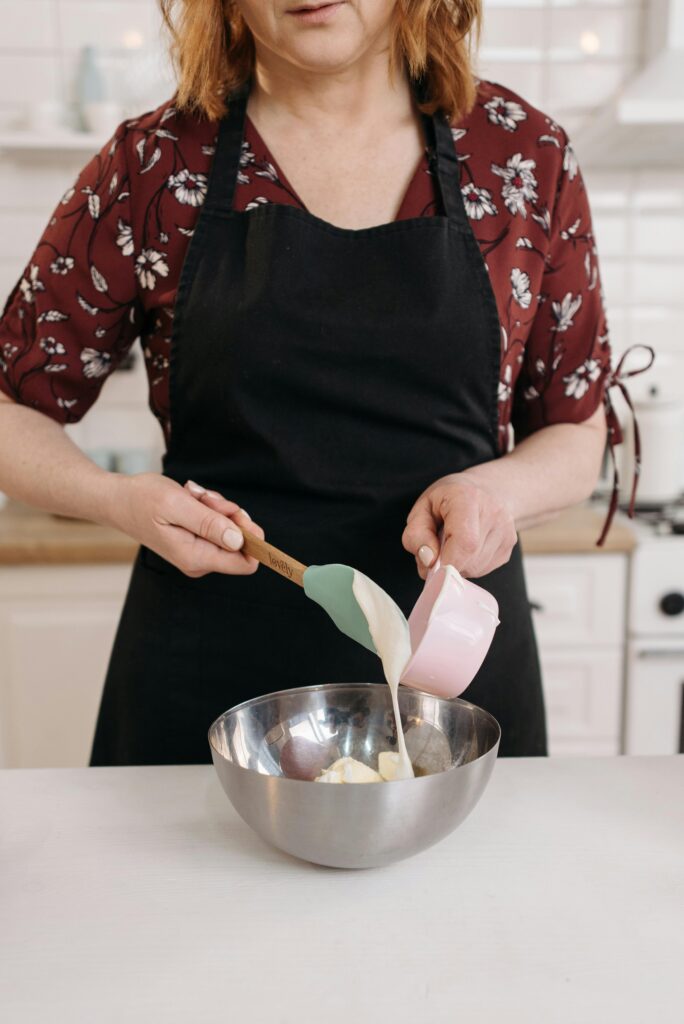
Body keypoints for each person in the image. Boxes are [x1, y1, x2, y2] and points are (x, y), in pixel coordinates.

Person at [0, 0, 630, 763]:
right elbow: (11, 407)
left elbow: (574, 427)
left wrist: (497, 497)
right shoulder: (156, 164)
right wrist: (115, 499)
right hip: (207, 688)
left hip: (449, 683)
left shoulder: (522, 158)